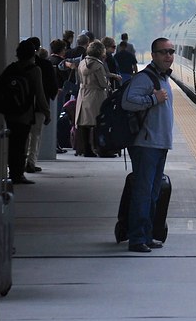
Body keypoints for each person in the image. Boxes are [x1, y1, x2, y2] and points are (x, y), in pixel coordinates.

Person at [121, 38, 174, 253]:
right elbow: (127, 101)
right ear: (153, 55)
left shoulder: (162, 77)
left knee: (152, 193)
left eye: (171, 51)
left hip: (158, 144)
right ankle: (137, 238)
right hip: (146, 145)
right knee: (143, 193)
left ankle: (148, 234)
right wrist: (153, 100)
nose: (168, 56)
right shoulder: (145, 78)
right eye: (163, 52)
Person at [4, 40, 50, 185]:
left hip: (10, 111)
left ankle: (12, 171)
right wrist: (46, 111)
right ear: (33, 54)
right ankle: (18, 174)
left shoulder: (11, 68)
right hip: (25, 112)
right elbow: (40, 94)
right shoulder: (34, 70)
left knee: (12, 143)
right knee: (22, 142)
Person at [74, 41, 112, 157]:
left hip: (83, 94)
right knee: (98, 123)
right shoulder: (98, 65)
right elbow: (102, 83)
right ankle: (100, 149)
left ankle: (87, 150)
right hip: (96, 95)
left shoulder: (82, 63)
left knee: (85, 124)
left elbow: (79, 79)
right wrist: (108, 83)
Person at [25, 36, 57, 173]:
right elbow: (52, 86)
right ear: (38, 49)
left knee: (24, 135)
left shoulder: (19, 66)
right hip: (39, 105)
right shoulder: (45, 65)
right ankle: (31, 161)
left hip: (22, 106)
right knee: (35, 134)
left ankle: (21, 161)